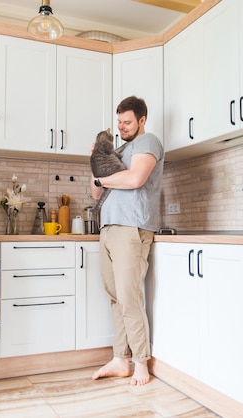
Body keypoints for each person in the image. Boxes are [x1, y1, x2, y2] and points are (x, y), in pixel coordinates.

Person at [90, 96, 164, 386]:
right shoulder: (116, 150)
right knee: (115, 298)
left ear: (142, 120)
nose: (121, 127)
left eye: (128, 122)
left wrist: (103, 178)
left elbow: (135, 179)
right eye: (119, 121)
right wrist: (94, 162)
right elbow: (96, 193)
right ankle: (121, 359)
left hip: (132, 228)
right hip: (108, 228)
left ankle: (141, 363)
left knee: (130, 299)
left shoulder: (148, 143)